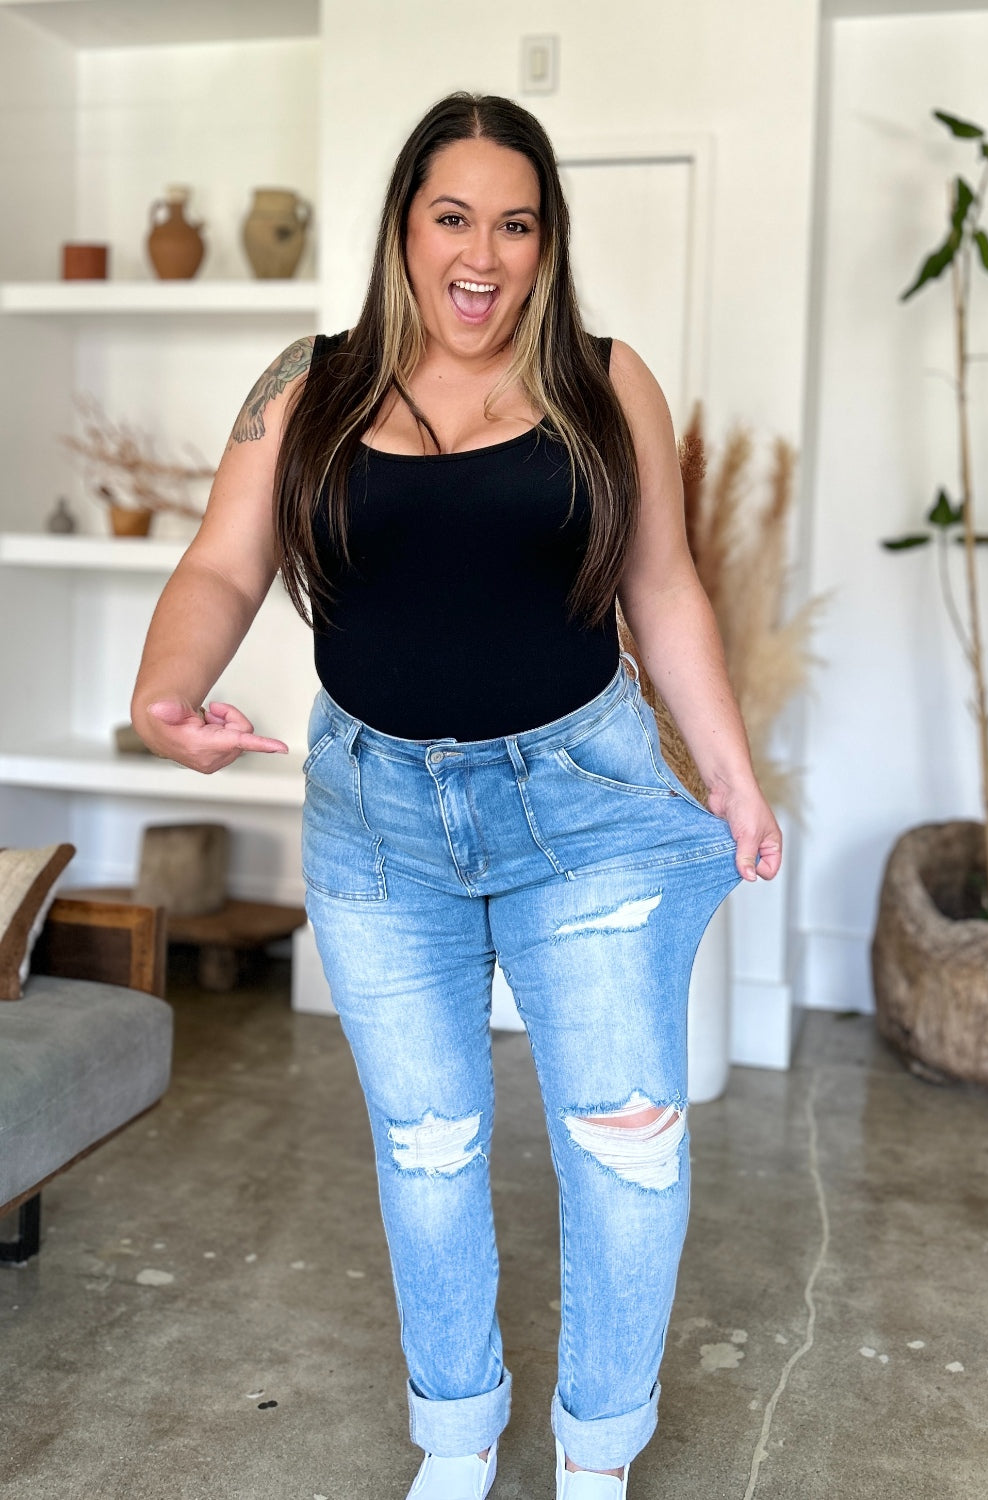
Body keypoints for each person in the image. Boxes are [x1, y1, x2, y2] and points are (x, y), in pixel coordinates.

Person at [131, 92, 781, 1500]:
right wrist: (162, 692)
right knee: (428, 1154)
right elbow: (221, 568)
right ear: (403, 230)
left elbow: (665, 587)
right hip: (379, 822)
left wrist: (731, 778)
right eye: (452, 217)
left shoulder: (608, 380)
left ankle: (597, 1455)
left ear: (546, 245)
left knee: (626, 1149)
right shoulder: (309, 387)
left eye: (515, 223)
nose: (481, 254)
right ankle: (458, 1436)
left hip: (587, 809)